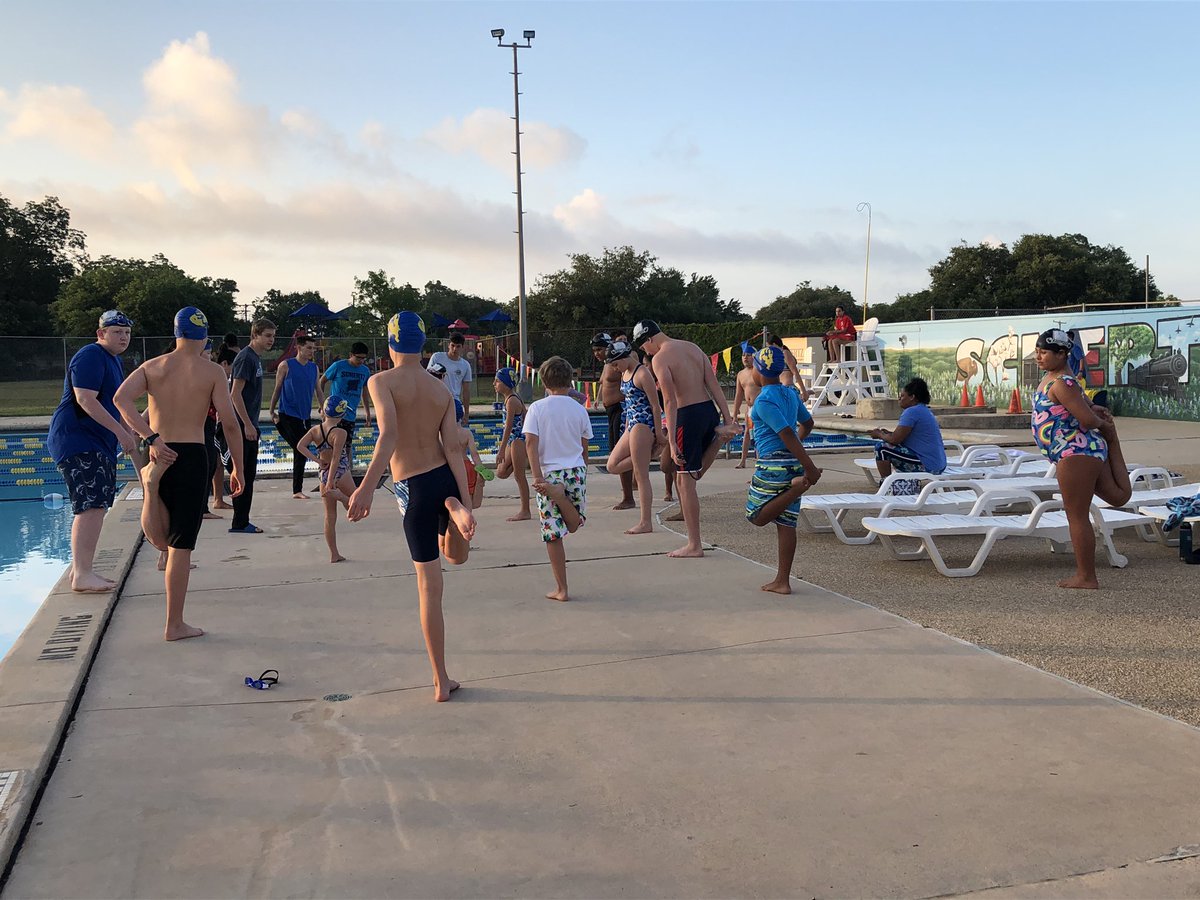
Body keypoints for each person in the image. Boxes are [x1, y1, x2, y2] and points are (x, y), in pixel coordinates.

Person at [348, 312, 476, 702]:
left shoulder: (381, 381)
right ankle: (453, 508)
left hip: (413, 488)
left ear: (390, 344)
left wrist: (366, 487)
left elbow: (388, 435)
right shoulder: (441, 390)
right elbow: (452, 447)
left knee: (428, 589)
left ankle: (441, 680)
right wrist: (466, 501)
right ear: (422, 346)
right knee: (456, 558)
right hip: (445, 478)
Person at [114, 307, 245, 640]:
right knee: (180, 546)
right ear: (204, 336)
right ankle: (174, 624)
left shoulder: (153, 366)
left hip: (158, 451)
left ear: (176, 334)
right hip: (190, 455)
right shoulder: (212, 371)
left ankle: (150, 486)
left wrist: (150, 437)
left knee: (161, 540)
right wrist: (238, 468)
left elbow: (120, 399)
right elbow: (230, 424)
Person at [47, 310, 141, 593]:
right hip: (77, 439)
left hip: (95, 442)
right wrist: (120, 433)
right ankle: (82, 574)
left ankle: (82, 571)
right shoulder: (90, 355)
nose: (123, 337)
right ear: (101, 334)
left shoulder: (113, 361)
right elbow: (85, 399)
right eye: (117, 332)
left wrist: (130, 432)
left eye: (127, 332)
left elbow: (117, 405)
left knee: (97, 504)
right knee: (90, 505)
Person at [1031, 328, 1132, 589]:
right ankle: (1113, 443)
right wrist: (1097, 412)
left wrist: (1103, 425)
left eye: (1044, 352)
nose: (1038, 356)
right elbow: (1086, 405)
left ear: (1062, 354)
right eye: (1037, 351)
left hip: (1074, 452)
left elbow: (1086, 419)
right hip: (1081, 451)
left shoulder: (1061, 383)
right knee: (1119, 496)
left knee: (1076, 515)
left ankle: (1086, 577)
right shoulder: (1061, 380)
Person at [632, 319, 739, 558]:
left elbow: (669, 400)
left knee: (685, 483)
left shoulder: (660, 358)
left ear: (649, 339)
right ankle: (719, 437)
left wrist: (671, 441)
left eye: (643, 347)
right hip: (708, 411)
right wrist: (727, 417)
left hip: (687, 417)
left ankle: (694, 545)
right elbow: (714, 385)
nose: (645, 352)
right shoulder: (693, 348)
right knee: (690, 473)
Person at [744, 346, 823, 594]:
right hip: (792, 463)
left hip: (773, 463)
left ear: (759, 370)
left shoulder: (763, 400)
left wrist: (810, 468)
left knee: (756, 516)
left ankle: (796, 490)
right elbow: (807, 424)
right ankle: (782, 581)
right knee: (786, 523)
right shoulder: (790, 393)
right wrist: (800, 456)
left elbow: (786, 433)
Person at [524, 356, 593, 602]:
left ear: (543, 382)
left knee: (553, 533)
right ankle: (561, 497)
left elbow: (530, 444)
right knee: (574, 524)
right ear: (570, 381)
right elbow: (584, 446)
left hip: (550, 473)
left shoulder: (537, 408)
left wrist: (537, 475)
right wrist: (583, 470)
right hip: (575, 469)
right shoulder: (579, 409)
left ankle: (561, 589)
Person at [604, 340, 665, 535]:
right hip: (631, 423)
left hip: (643, 424)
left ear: (624, 357)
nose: (614, 368)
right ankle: (647, 455)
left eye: (615, 364)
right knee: (612, 465)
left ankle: (645, 522)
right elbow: (629, 403)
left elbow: (655, 406)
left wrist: (658, 434)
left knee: (641, 475)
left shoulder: (642, 374)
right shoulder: (625, 373)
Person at [228, 318, 276, 534]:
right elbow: (235, 394)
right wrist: (247, 424)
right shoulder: (246, 358)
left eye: (273, 336)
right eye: (267, 336)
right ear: (255, 335)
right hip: (241, 426)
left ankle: (241, 520)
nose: (271, 340)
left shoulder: (255, 358)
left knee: (248, 474)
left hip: (249, 424)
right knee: (243, 474)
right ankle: (239, 522)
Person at [296, 396, 356, 564]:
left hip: (323, 473)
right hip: (340, 471)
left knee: (330, 516)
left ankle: (334, 554)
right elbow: (336, 458)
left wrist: (317, 460)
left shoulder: (315, 430)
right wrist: (332, 481)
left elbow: (300, 446)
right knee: (354, 504)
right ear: (342, 414)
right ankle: (341, 497)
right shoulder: (340, 433)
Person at [270, 334, 323, 499]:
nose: (312, 351)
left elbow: (318, 390)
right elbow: (277, 388)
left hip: (304, 416)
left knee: (300, 449)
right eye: (309, 348)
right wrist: (271, 410)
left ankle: (298, 490)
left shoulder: (314, 368)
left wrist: (324, 408)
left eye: (313, 349)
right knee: (301, 448)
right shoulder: (286, 365)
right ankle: (297, 490)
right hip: (288, 414)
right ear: (298, 348)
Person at [868, 378, 948, 479]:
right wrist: (888, 434)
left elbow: (895, 440)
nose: (899, 399)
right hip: (939, 465)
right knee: (887, 445)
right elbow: (904, 436)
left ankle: (887, 483)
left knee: (881, 448)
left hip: (928, 466)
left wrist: (879, 434)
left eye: (902, 396)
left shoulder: (911, 412)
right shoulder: (923, 410)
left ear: (912, 397)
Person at [590, 332, 635, 510]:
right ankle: (630, 489)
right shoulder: (607, 363)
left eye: (599, 349)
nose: (596, 353)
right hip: (612, 411)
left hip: (620, 410)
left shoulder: (619, 362)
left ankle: (628, 498)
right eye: (594, 350)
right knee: (616, 451)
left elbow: (632, 369)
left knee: (621, 453)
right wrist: (598, 399)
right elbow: (604, 384)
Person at [492, 367, 531, 521]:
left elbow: (508, 428)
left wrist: (501, 450)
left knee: (519, 476)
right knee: (501, 472)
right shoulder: (511, 398)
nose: (494, 384)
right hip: (513, 441)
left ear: (506, 384)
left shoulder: (512, 401)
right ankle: (518, 462)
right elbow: (526, 415)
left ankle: (525, 511)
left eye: (497, 381)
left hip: (517, 441)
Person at [319, 342, 374, 444]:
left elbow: (364, 393)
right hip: (333, 413)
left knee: (347, 446)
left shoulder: (365, 371)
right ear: (351, 355)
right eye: (358, 358)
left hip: (350, 414)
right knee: (330, 445)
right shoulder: (338, 366)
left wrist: (367, 413)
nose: (361, 361)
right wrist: (322, 404)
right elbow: (322, 381)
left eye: (363, 358)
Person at [211, 347, 236, 511]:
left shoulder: (224, 380)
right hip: (211, 426)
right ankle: (211, 502)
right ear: (225, 364)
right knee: (215, 464)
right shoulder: (214, 377)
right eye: (233, 366)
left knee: (218, 464)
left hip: (216, 425)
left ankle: (218, 499)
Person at [428, 333, 473, 423]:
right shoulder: (437, 357)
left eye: (458, 346)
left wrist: (467, 413)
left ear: (462, 347)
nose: (455, 349)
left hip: (453, 401)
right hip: (436, 400)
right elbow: (427, 378)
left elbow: (466, 391)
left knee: (454, 429)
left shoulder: (465, 365)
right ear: (448, 345)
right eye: (452, 345)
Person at [731, 342, 762, 469]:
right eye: (743, 355)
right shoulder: (740, 374)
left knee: (759, 434)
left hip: (760, 408)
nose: (745, 357)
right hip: (749, 409)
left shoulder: (759, 371)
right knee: (747, 434)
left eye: (748, 355)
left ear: (754, 356)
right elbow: (738, 395)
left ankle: (760, 460)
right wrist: (735, 413)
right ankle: (743, 460)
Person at [768, 333, 810, 401]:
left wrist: (804, 391)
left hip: (788, 388)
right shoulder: (776, 356)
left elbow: (795, 372)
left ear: (774, 344)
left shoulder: (785, 353)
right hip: (780, 389)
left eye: (769, 347)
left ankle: (806, 393)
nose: (769, 349)